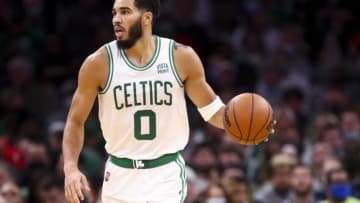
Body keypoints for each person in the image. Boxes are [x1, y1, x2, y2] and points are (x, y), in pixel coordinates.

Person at [62, 0, 275, 202]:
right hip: (120, 173)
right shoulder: (98, 63)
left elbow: (212, 111)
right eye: (114, 13)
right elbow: (75, 121)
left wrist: (240, 125)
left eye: (125, 12)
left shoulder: (180, 57)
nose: (116, 19)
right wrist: (71, 167)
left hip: (165, 173)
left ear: (146, 18)